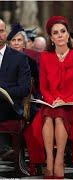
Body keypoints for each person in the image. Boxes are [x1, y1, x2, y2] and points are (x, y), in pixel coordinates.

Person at [24, 16, 73, 178]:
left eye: (63, 32)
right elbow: (43, 86)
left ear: (67, 35)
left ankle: (57, 160)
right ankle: (50, 159)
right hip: (51, 105)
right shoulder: (45, 57)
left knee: (58, 117)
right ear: (51, 37)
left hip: (72, 106)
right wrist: (52, 101)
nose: (60, 35)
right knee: (51, 116)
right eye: (55, 33)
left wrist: (66, 100)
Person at [0, 18, 31, 159]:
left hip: (11, 105)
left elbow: (25, 89)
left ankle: (4, 147)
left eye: (1, 31)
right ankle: (3, 146)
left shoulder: (19, 58)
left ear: (6, 33)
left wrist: (4, 90)